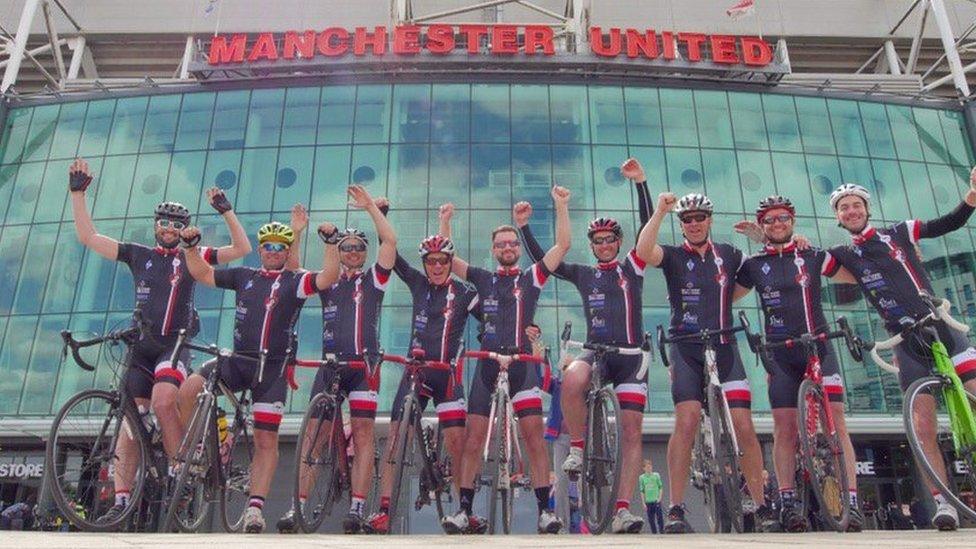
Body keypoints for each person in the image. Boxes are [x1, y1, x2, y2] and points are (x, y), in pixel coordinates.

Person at [67, 157, 251, 523]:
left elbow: (241, 249)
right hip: (141, 347)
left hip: (174, 343)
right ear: (155, 226)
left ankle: (176, 474)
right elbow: (88, 237)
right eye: (163, 223)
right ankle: (120, 499)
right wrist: (77, 195)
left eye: (176, 224)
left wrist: (226, 211)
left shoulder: (192, 255)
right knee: (128, 425)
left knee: (165, 401)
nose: (168, 228)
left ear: (184, 228)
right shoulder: (140, 255)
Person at [824, 177, 976, 531]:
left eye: (856, 204)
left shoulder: (899, 233)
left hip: (939, 324)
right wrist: (780, 240)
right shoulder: (844, 255)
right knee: (922, 425)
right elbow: (808, 264)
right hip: (905, 340)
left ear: (866, 209)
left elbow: (947, 223)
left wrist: (970, 197)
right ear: (838, 217)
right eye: (843, 207)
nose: (851, 210)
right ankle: (944, 505)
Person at [177, 211, 339, 533]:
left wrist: (331, 242)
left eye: (281, 247)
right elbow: (202, 273)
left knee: (266, 441)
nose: (274, 252)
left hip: (272, 372)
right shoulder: (244, 275)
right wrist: (190, 247)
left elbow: (329, 276)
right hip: (238, 361)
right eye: (269, 246)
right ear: (261, 249)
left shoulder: (295, 282)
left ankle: (255, 509)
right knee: (188, 387)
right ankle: (202, 447)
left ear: (287, 251)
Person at [516, 158, 652, 533]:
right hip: (597, 351)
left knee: (631, 431)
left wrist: (640, 183)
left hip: (630, 356)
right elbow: (547, 264)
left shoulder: (633, 266)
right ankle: (577, 446)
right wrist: (526, 227)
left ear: (619, 243)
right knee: (573, 380)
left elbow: (646, 229)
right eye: (598, 240)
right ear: (592, 246)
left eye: (610, 239)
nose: (605, 244)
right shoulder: (584, 274)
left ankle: (622, 509)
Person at [637, 183, 774, 533]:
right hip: (686, 346)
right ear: (682, 224)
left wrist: (764, 241)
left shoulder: (730, 254)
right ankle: (676, 507)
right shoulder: (672, 255)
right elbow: (643, 249)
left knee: (745, 425)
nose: (694, 223)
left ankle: (761, 505)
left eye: (700, 218)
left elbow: (752, 280)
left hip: (725, 344)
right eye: (688, 219)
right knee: (686, 420)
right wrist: (661, 212)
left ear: (710, 220)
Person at [437, 185, 570, 535]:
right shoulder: (483, 278)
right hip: (487, 366)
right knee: (473, 440)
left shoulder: (532, 278)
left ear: (517, 249)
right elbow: (447, 259)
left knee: (534, 438)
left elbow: (563, 247)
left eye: (513, 243)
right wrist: (445, 222)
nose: (508, 248)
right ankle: (464, 511)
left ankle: (545, 511)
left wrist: (561, 206)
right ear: (493, 250)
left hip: (523, 366)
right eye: (502, 244)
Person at [733, 195, 863, 532]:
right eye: (770, 220)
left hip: (819, 347)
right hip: (780, 353)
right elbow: (724, 296)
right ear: (762, 226)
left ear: (792, 221)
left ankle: (851, 500)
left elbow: (854, 276)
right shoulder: (753, 264)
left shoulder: (812, 255)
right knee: (785, 428)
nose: (777, 224)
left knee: (837, 423)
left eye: (783, 218)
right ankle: (788, 501)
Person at [278, 184, 398, 534]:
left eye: (358, 247)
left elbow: (389, 243)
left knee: (362, 434)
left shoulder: (374, 280)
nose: (351, 251)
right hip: (331, 366)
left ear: (363, 252)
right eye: (345, 247)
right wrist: (297, 233)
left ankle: (358, 505)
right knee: (314, 433)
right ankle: (297, 504)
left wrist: (370, 211)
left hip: (364, 367)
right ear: (339, 250)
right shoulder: (328, 280)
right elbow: (292, 273)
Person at [362, 201, 480, 535]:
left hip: (447, 375)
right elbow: (392, 254)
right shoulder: (418, 284)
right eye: (432, 261)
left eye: (444, 261)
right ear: (425, 264)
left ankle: (463, 510)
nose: (438, 266)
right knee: (397, 439)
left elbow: (493, 321)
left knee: (458, 442)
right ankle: (383, 510)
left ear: (450, 263)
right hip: (415, 372)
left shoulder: (465, 292)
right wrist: (381, 216)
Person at [638, 459, 665, 534]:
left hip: (656, 500)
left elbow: (660, 487)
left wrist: (659, 498)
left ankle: (662, 531)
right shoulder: (642, 478)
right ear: (644, 468)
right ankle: (654, 532)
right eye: (647, 467)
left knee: (659, 517)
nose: (649, 469)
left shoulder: (656, 475)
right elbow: (642, 491)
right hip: (648, 501)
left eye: (650, 467)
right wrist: (643, 502)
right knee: (651, 519)